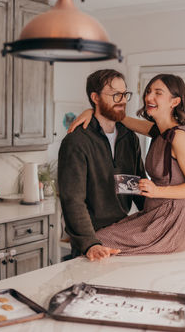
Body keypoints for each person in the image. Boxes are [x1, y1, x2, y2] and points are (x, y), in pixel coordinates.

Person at [68, 73, 185, 255]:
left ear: (174, 102)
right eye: (148, 91)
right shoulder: (159, 132)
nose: (149, 97)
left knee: (99, 241)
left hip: (168, 222)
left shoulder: (178, 137)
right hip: (153, 215)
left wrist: (157, 191)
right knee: (95, 240)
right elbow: (121, 118)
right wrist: (92, 110)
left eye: (158, 93)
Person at [58, 69, 147, 261]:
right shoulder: (77, 141)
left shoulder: (129, 137)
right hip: (91, 241)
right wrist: (90, 243)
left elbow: (139, 187)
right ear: (95, 97)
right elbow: (73, 199)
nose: (122, 100)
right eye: (115, 94)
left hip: (123, 235)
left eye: (124, 94)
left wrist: (165, 220)